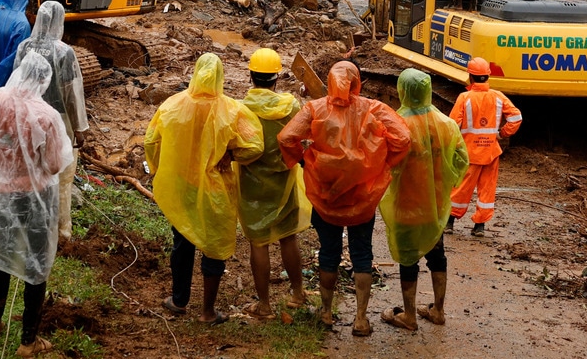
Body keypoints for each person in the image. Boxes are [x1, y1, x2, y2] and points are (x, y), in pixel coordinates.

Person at [278, 61, 411, 335]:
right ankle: (361, 319)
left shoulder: (314, 109)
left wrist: (304, 161)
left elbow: (287, 137)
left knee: (329, 254)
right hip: (363, 197)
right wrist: (383, 164)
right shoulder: (373, 108)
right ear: (356, 82)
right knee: (362, 255)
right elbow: (404, 137)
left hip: (326, 196)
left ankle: (326, 313)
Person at [0, 51, 71, 359]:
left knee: (0, 257)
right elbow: (53, 165)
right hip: (34, 199)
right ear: (43, 80)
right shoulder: (45, 116)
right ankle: (28, 342)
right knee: (35, 266)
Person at [145, 53, 265, 323]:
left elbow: (151, 141)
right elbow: (255, 145)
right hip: (215, 188)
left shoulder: (172, 105)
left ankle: (178, 300)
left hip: (183, 185)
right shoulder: (231, 110)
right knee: (214, 247)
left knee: (182, 240)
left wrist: (158, 169)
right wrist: (232, 156)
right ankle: (208, 311)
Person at [379, 68, 468, 332]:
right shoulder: (447, 124)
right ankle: (438, 310)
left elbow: (383, 162)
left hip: (405, 203)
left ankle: (409, 315)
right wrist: (444, 181)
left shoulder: (396, 124)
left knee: (408, 259)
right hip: (434, 206)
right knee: (437, 255)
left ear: (402, 90)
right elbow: (462, 160)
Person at [237, 49, 311, 319]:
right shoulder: (290, 106)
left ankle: (264, 304)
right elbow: (303, 136)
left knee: (259, 242)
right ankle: (297, 293)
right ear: (276, 78)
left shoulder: (242, 108)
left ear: (251, 76)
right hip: (283, 180)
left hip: (252, 183)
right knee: (288, 236)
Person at [14, 1, 88, 240]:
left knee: (31, 170)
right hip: (58, 120)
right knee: (62, 176)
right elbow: (72, 93)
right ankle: (62, 232)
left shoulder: (24, 47)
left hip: (27, 115)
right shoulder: (64, 52)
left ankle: (29, 221)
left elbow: (15, 81)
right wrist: (79, 129)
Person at [449, 57, 523, 237]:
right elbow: (516, 118)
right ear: (487, 77)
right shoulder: (498, 97)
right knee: (487, 190)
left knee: (461, 188)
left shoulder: (464, 98)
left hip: (470, 153)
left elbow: (451, 125)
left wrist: (453, 146)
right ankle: (480, 226)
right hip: (491, 152)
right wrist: (501, 134)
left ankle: (449, 222)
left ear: (470, 77)